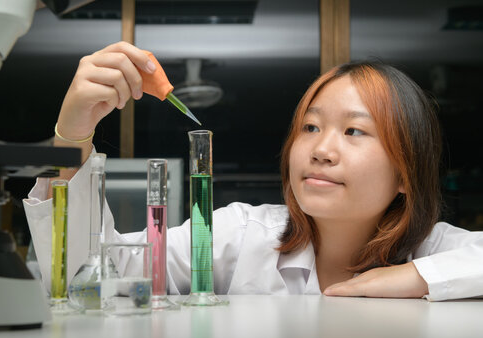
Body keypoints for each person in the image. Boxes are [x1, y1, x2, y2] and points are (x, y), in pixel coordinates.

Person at [24, 42, 483, 301]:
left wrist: (412, 278)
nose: (321, 149)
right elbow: (91, 277)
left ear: (406, 173)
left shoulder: (432, 247)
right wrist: (71, 136)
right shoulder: (240, 234)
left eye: (355, 132)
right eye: (311, 126)